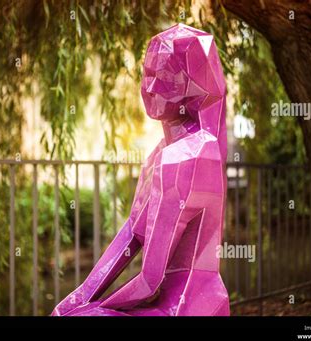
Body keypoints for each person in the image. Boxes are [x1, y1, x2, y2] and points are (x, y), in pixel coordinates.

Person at [52, 23, 229, 316]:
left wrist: (91, 309)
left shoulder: (190, 155)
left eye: (161, 77)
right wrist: (76, 297)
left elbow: (150, 280)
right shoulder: (159, 154)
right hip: (177, 302)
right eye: (146, 74)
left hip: (190, 307)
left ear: (190, 84)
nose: (149, 87)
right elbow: (131, 236)